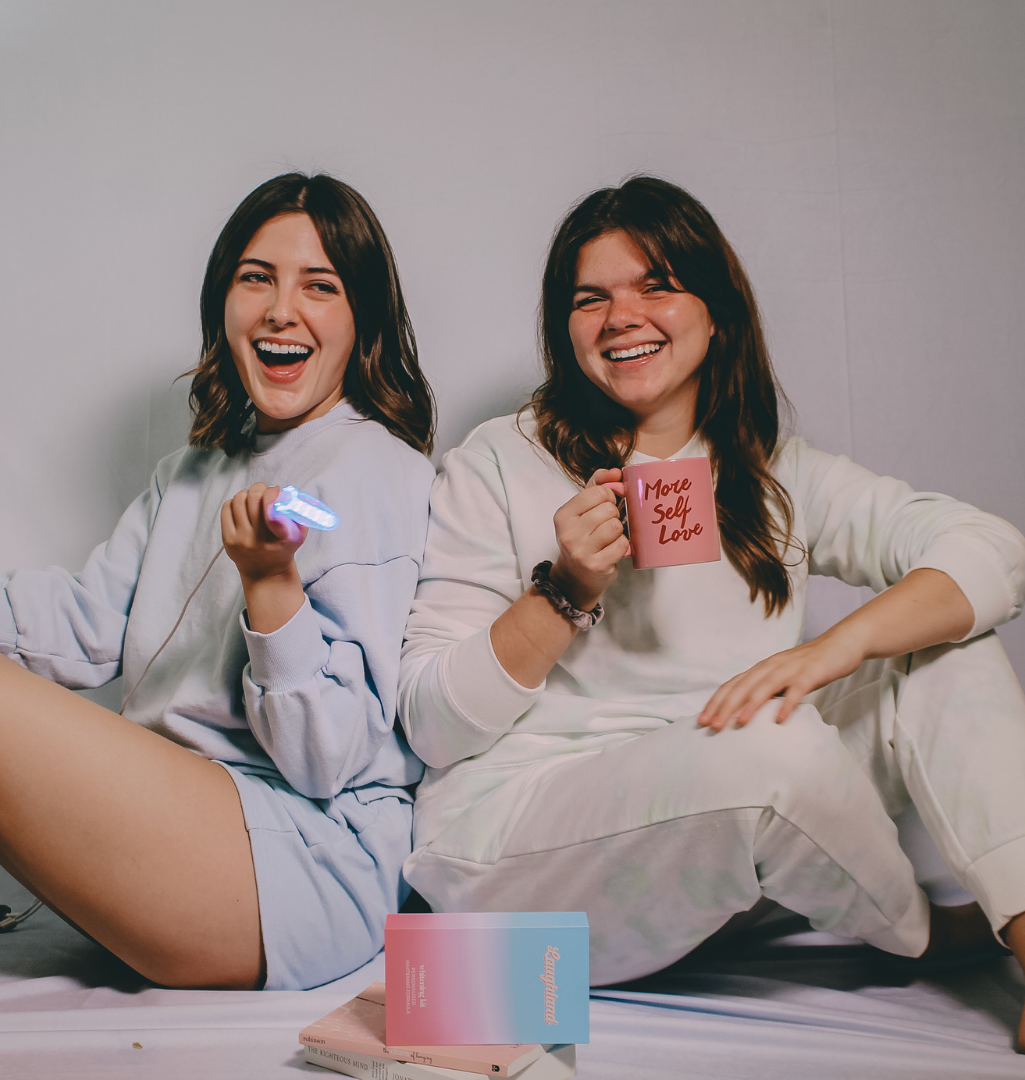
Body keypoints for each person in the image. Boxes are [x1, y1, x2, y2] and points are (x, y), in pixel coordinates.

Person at [398, 176, 1025, 1043]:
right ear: (564, 329)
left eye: (655, 284)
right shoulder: (501, 461)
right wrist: (564, 588)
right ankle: (920, 933)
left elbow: (992, 551)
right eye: (591, 298)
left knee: (946, 644)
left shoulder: (772, 472)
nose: (622, 316)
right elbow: (432, 726)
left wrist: (830, 651)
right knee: (772, 744)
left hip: (723, 858)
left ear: (717, 311)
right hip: (531, 855)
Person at [0, 172, 436, 991]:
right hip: (191, 833)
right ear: (223, 303)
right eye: (256, 278)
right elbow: (88, 621)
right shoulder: (190, 472)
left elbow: (328, 758)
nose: (283, 309)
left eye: (321, 286)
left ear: (362, 321)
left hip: (299, 867)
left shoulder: (375, 471)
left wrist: (272, 590)